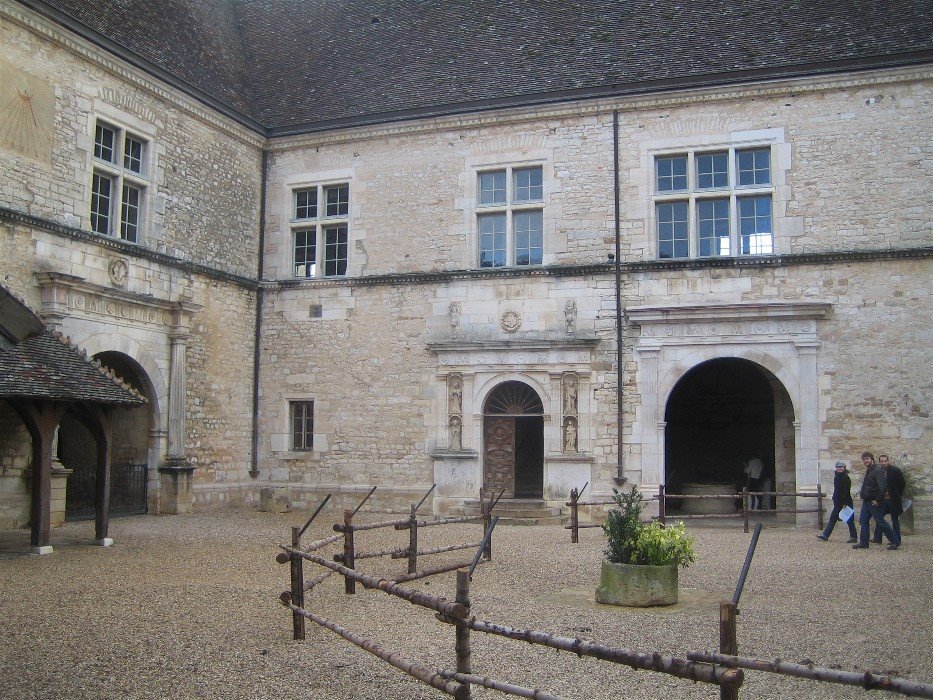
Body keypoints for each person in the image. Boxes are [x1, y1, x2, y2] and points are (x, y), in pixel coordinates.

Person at [853, 451, 899, 550]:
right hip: (867, 501)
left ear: (872, 459)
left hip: (874, 501)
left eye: (867, 459)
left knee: (880, 522)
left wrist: (878, 500)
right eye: (864, 459)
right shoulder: (870, 470)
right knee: (863, 521)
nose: (866, 461)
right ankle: (864, 542)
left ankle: (895, 541)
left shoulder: (877, 470)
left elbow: (883, 487)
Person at [817, 460, 857, 542]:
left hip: (844, 502)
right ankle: (825, 535)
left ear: (844, 468)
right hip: (838, 502)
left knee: (849, 520)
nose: (839, 468)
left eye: (841, 467)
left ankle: (853, 537)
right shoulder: (837, 477)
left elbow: (846, 491)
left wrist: (844, 503)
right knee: (833, 519)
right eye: (838, 467)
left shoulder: (845, 478)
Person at [872, 454, 905, 546]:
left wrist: (897, 494)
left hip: (893, 500)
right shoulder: (878, 471)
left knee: (894, 520)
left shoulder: (895, 470)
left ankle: (897, 539)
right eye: (881, 461)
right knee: (879, 519)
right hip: (882, 500)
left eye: (885, 461)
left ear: (888, 461)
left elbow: (902, 484)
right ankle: (877, 538)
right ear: (879, 462)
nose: (883, 463)